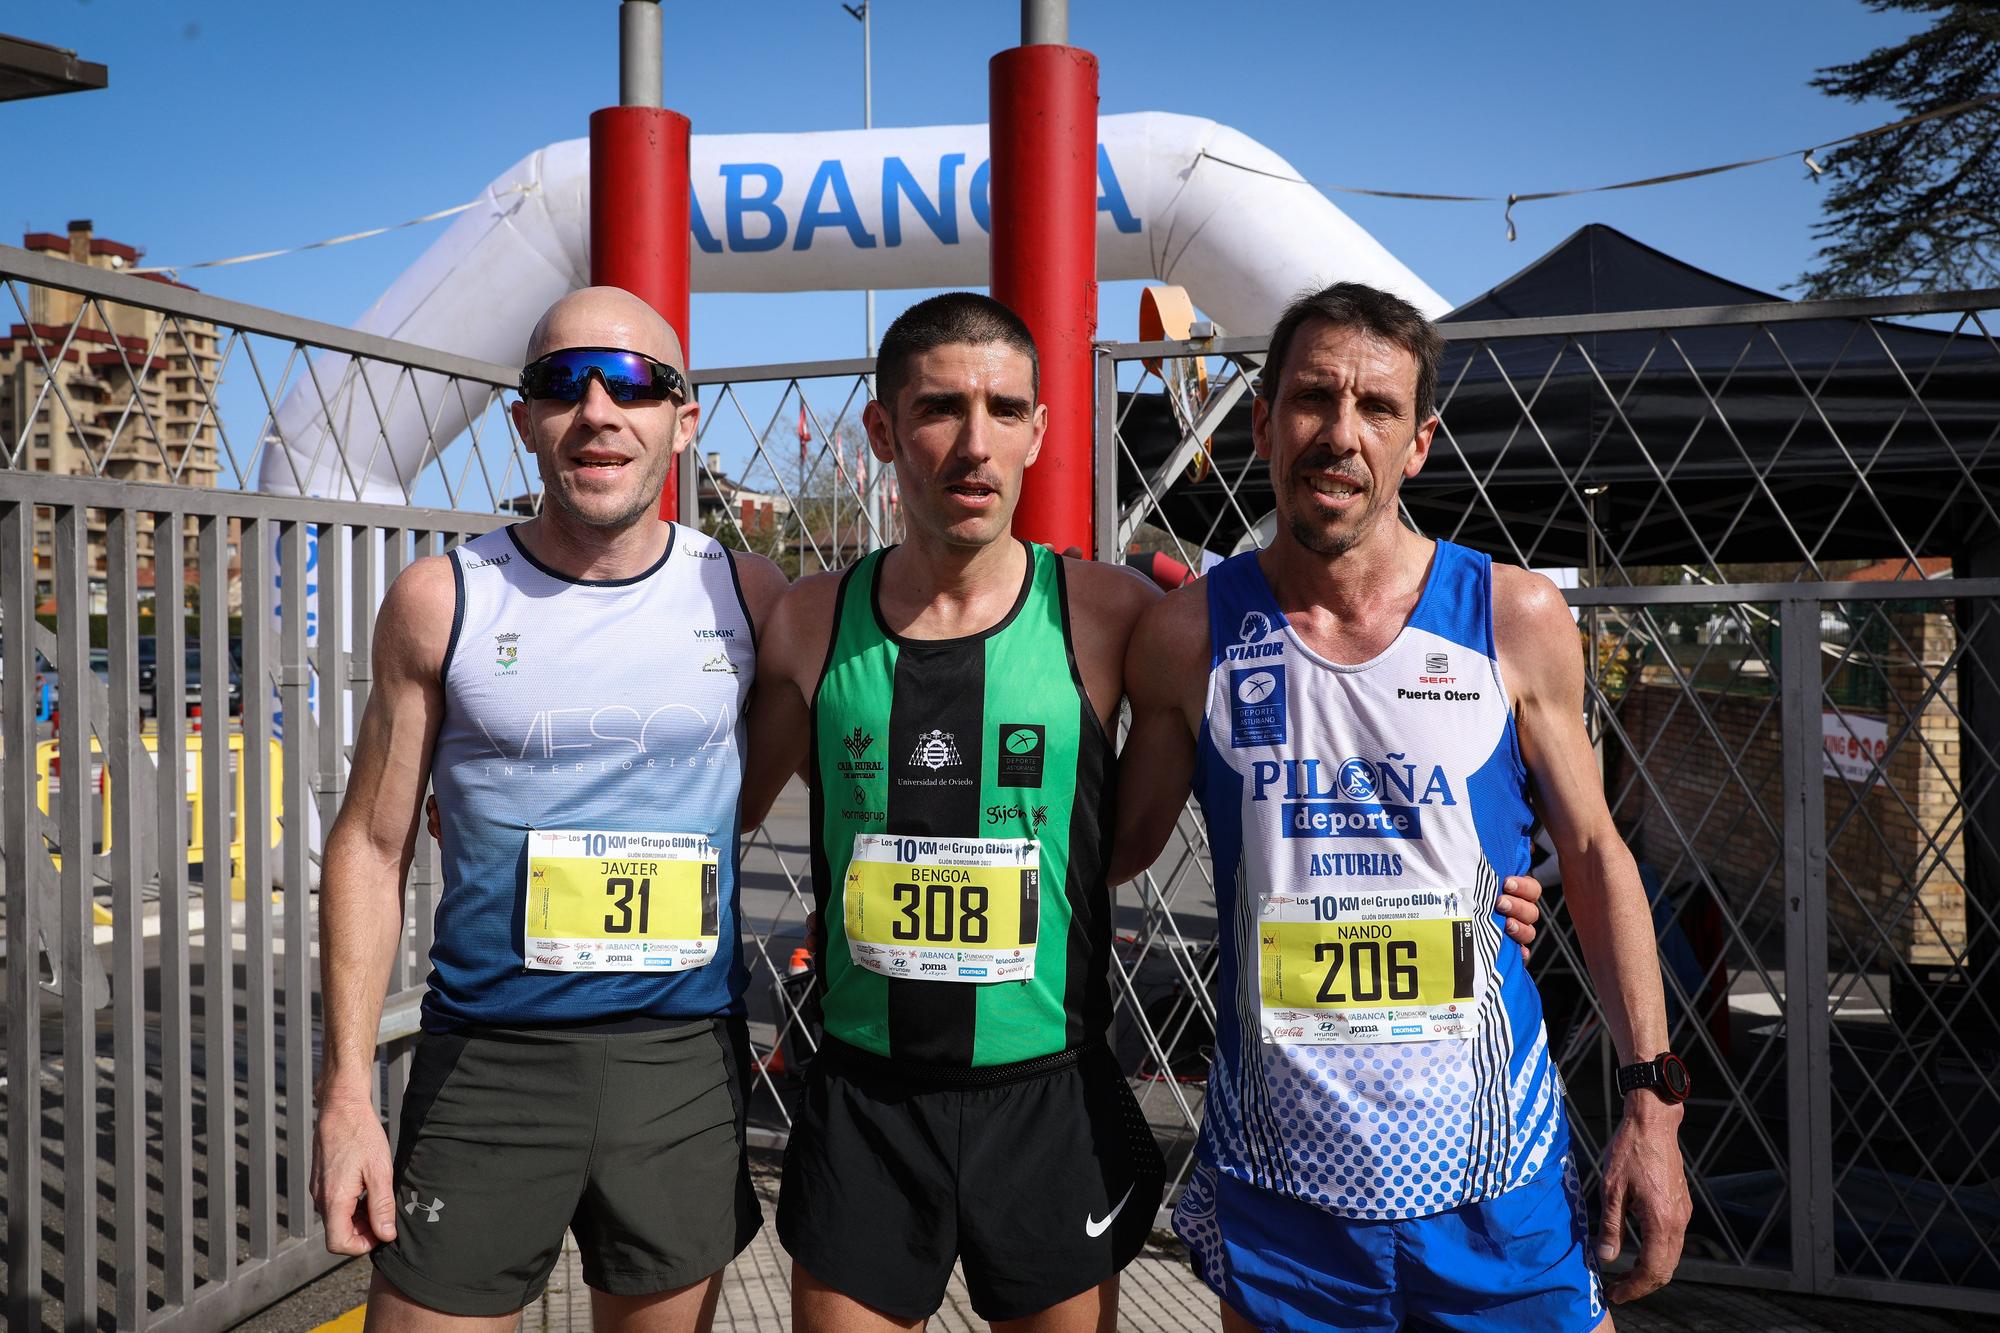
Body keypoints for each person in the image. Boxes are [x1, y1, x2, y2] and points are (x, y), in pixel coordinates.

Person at [740, 291, 1550, 1331]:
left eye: (1003, 409)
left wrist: (1478, 894)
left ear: (1040, 429)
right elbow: (722, 804)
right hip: (863, 1097)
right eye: (941, 408)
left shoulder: (1112, 611)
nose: (973, 443)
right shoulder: (808, 622)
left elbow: (1299, 719)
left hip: (1046, 1097)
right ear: (884, 430)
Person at [1113, 281, 1693, 1333]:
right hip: (1282, 1195)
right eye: (1310, 399)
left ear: (1417, 442)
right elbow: (1103, 853)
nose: (1339, 434)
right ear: (1259, 422)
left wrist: (1651, 1104)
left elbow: (1598, 855)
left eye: (1374, 408)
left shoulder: (1510, 616)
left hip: (1490, 1184)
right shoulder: (1187, 634)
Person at [312, 286, 788, 1332]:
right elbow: (369, 843)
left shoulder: (748, 594)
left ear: (681, 414)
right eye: (560, 382)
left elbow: (764, 782)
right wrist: (347, 1091)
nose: (598, 408)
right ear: (523, 418)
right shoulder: (443, 597)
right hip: (489, 1061)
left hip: (679, 1064)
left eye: (632, 382)